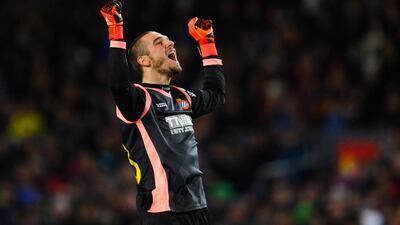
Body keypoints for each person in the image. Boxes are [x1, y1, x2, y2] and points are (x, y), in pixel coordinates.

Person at [100, 1, 225, 224]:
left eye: (169, 41)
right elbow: (118, 86)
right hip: (163, 211)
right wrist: (115, 31)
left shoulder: (182, 97)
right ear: (143, 60)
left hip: (197, 207)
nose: (170, 44)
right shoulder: (139, 99)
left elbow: (216, 95)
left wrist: (207, 42)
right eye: (159, 43)